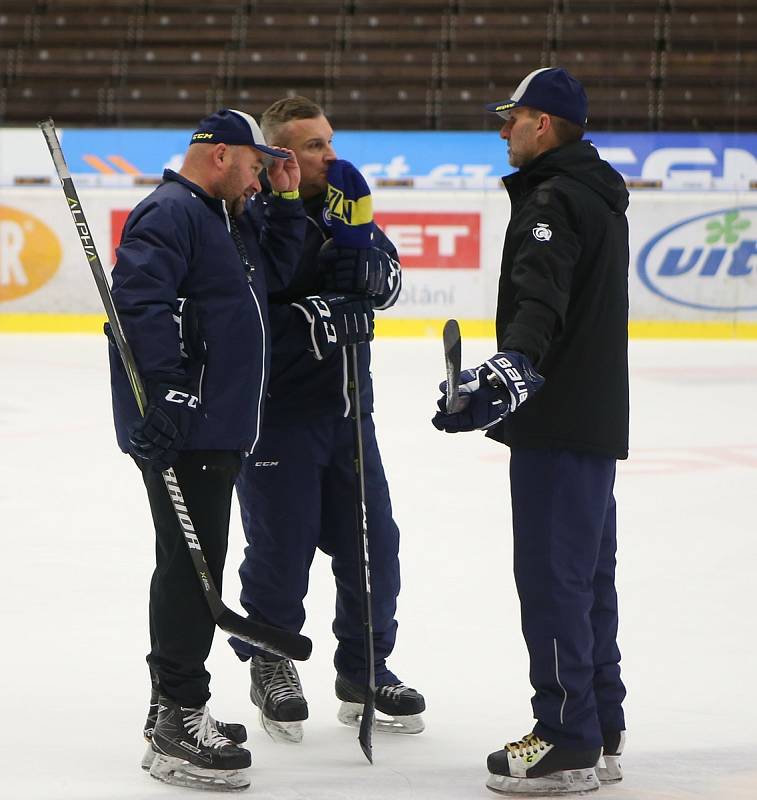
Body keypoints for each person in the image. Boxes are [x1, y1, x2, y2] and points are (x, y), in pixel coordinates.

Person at [432, 67, 629, 796]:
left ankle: (565, 738)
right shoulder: (598, 194)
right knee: (586, 581)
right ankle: (600, 727)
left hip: (555, 422)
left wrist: (509, 369)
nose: (502, 129)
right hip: (592, 418)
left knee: (551, 581)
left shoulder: (550, 198)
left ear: (540, 124)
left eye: (508, 118)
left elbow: (541, 297)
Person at [107, 108, 305, 790]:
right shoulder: (169, 212)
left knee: (200, 567)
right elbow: (139, 306)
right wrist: (166, 396)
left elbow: (274, 276)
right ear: (221, 156)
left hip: (216, 425)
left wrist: (279, 201)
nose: (257, 181)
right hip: (184, 428)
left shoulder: (227, 216)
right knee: (192, 572)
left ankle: (174, 706)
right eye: (253, 167)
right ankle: (177, 717)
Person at [228, 95, 425, 743]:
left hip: (349, 415)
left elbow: (386, 282)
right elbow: (241, 318)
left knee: (373, 546)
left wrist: (380, 274)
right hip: (277, 416)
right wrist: (312, 314)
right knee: (280, 551)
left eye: (330, 141)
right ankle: (271, 660)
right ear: (279, 152)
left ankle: (364, 669)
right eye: (313, 145)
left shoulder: (347, 202)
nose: (329, 154)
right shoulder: (249, 215)